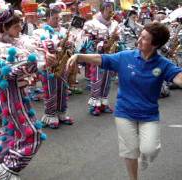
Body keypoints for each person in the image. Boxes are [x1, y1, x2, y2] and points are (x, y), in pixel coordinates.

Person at [66, 22, 182, 180]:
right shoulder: (125, 56)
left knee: (150, 150)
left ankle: (144, 159)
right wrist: (78, 56)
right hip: (125, 112)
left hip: (149, 114)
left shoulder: (162, 64)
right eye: (140, 36)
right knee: (130, 149)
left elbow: (178, 77)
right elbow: (101, 58)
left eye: (144, 38)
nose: (139, 40)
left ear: (155, 44)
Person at [0, 5, 47, 180]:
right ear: (4, 27)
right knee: (33, 134)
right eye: (15, 25)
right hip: (10, 99)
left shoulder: (18, 43)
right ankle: (8, 169)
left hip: (20, 96)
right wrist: (29, 66)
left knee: (11, 132)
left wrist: (42, 59)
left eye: (20, 23)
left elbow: (34, 60)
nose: (20, 27)